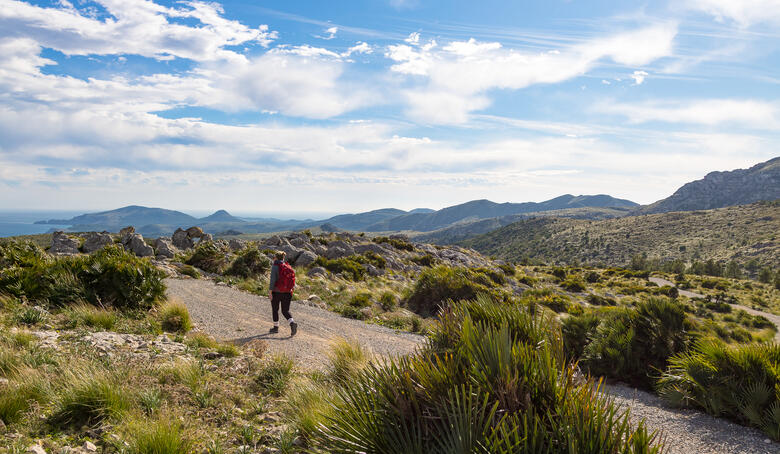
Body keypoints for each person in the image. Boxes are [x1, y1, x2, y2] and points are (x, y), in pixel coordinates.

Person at [268, 251, 297, 336]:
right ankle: (292, 323)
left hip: (277, 292)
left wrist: (270, 292)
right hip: (288, 292)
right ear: (283, 258)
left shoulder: (275, 266)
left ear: (276, 258)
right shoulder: (287, 266)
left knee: (275, 309)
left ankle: (275, 328)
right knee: (285, 310)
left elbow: (272, 281)